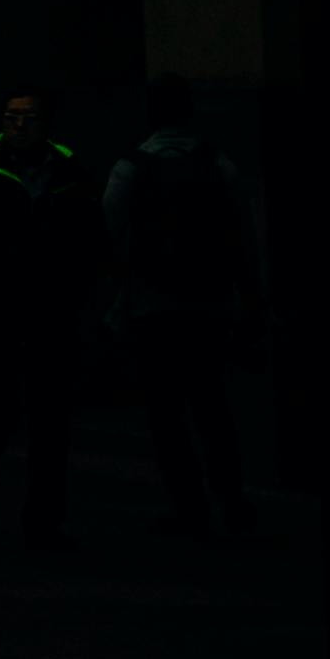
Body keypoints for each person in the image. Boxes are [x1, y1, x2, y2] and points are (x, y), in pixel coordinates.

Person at [105, 75, 257, 542]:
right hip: (211, 305)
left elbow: (108, 233)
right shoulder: (218, 164)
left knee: (167, 416)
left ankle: (190, 510)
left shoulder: (131, 167)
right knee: (213, 409)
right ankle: (233, 505)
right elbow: (243, 235)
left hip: (154, 308)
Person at [0, 95, 89, 545]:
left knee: (47, 421)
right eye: (13, 117)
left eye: (29, 118)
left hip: (48, 309)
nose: (20, 125)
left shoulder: (68, 173)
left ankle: (41, 518)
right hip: (1, 308)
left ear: (46, 124)